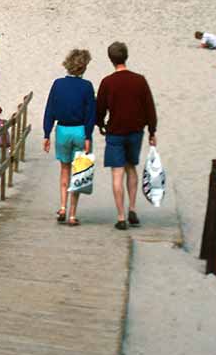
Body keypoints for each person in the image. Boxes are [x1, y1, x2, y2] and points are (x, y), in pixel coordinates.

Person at [96, 42, 157, 231]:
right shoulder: (140, 80)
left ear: (110, 59)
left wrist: (100, 124)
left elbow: (100, 108)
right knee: (131, 168)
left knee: (117, 173)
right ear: (126, 56)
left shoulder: (107, 82)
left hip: (115, 131)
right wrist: (152, 131)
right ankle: (133, 208)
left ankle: (121, 217)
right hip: (135, 131)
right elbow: (149, 107)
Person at [42, 49, 96, 226]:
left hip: (62, 130)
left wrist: (46, 133)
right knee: (78, 172)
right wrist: (88, 136)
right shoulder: (87, 86)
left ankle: (62, 207)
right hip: (80, 130)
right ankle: (72, 214)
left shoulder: (58, 84)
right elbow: (90, 114)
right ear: (83, 67)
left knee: (64, 169)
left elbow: (50, 109)